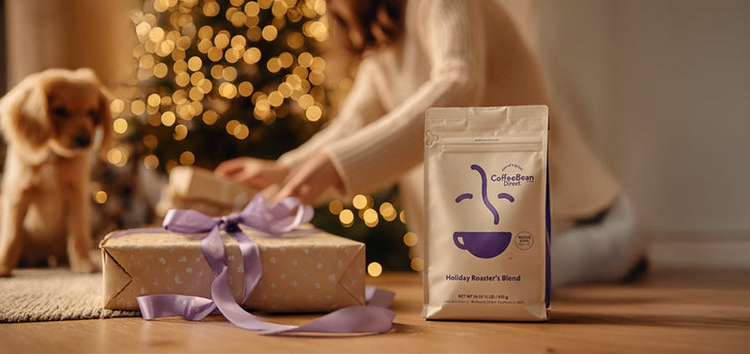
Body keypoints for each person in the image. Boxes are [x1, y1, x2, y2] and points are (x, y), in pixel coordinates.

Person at [213, 0, 644, 286]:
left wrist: (334, 164)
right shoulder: (384, 35)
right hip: (494, 241)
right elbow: (354, 125)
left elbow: (458, 84)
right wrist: (285, 170)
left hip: (572, 222)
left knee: (502, 283)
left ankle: (627, 242)